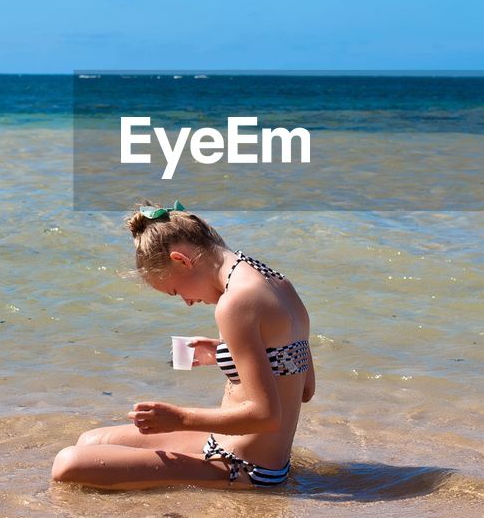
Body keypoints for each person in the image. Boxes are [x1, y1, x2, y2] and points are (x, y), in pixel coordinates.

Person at [51, 201, 314, 489]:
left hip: (243, 467)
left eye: (176, 291)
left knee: (68, 463)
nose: (187, 302)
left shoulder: (235, 304)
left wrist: (178, 418)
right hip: (231, 446)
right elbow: (303, 385)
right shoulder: (277, 283)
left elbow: (266, 417)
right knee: (91, 441)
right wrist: (223, 352)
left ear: (182, 260)